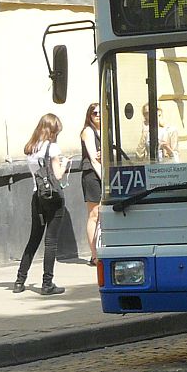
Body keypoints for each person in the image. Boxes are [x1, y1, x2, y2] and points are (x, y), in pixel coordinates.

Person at [14, 113, 68, 296]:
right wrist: (66, 163)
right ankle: (47, 283)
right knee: (50, 242)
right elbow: (58, 175)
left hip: (37, 197)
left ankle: (19, 280)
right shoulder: (52, 148)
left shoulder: (31, 149)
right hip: (53, 197)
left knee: (34, 238)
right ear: (52, 130)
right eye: (56, 131)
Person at [80, 103, 103, 266]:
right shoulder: (88, 132)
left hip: (103, 173)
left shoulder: (106, 131)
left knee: (103, 214)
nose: (98, 115)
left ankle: (101, 250)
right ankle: (94, 254)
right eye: (94, 113)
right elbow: (93, 159)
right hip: (93, 175)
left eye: (100, 112)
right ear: (89, 115)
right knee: (94, 214)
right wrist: (104, 178)